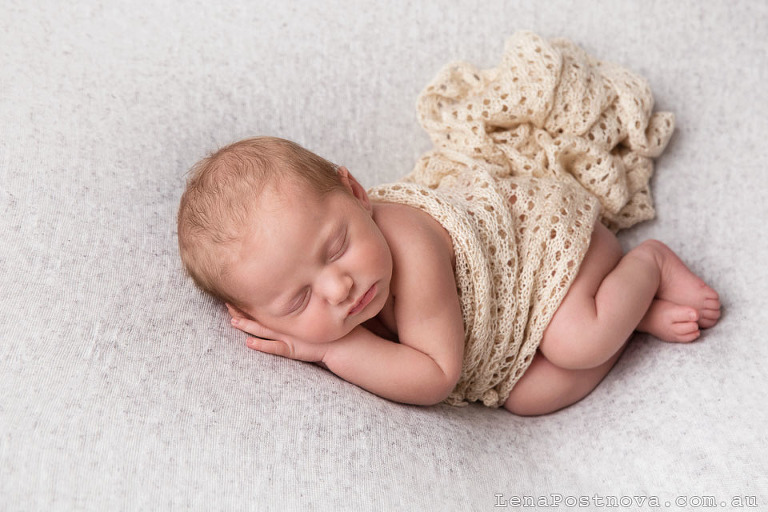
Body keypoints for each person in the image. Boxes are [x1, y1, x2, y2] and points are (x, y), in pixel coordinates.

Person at [177, 136, 720, 416]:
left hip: (545, 248)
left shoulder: (409, 248)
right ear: (256, 317)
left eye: (338, 246)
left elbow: (436, 374)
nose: (338, 287)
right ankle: (630, 317)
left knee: (576, 343)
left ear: (357, 194)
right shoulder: (349, 283)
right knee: (531, 399)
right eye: (298, 301)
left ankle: (647, 264)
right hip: (510, 323)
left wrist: (324, 351)